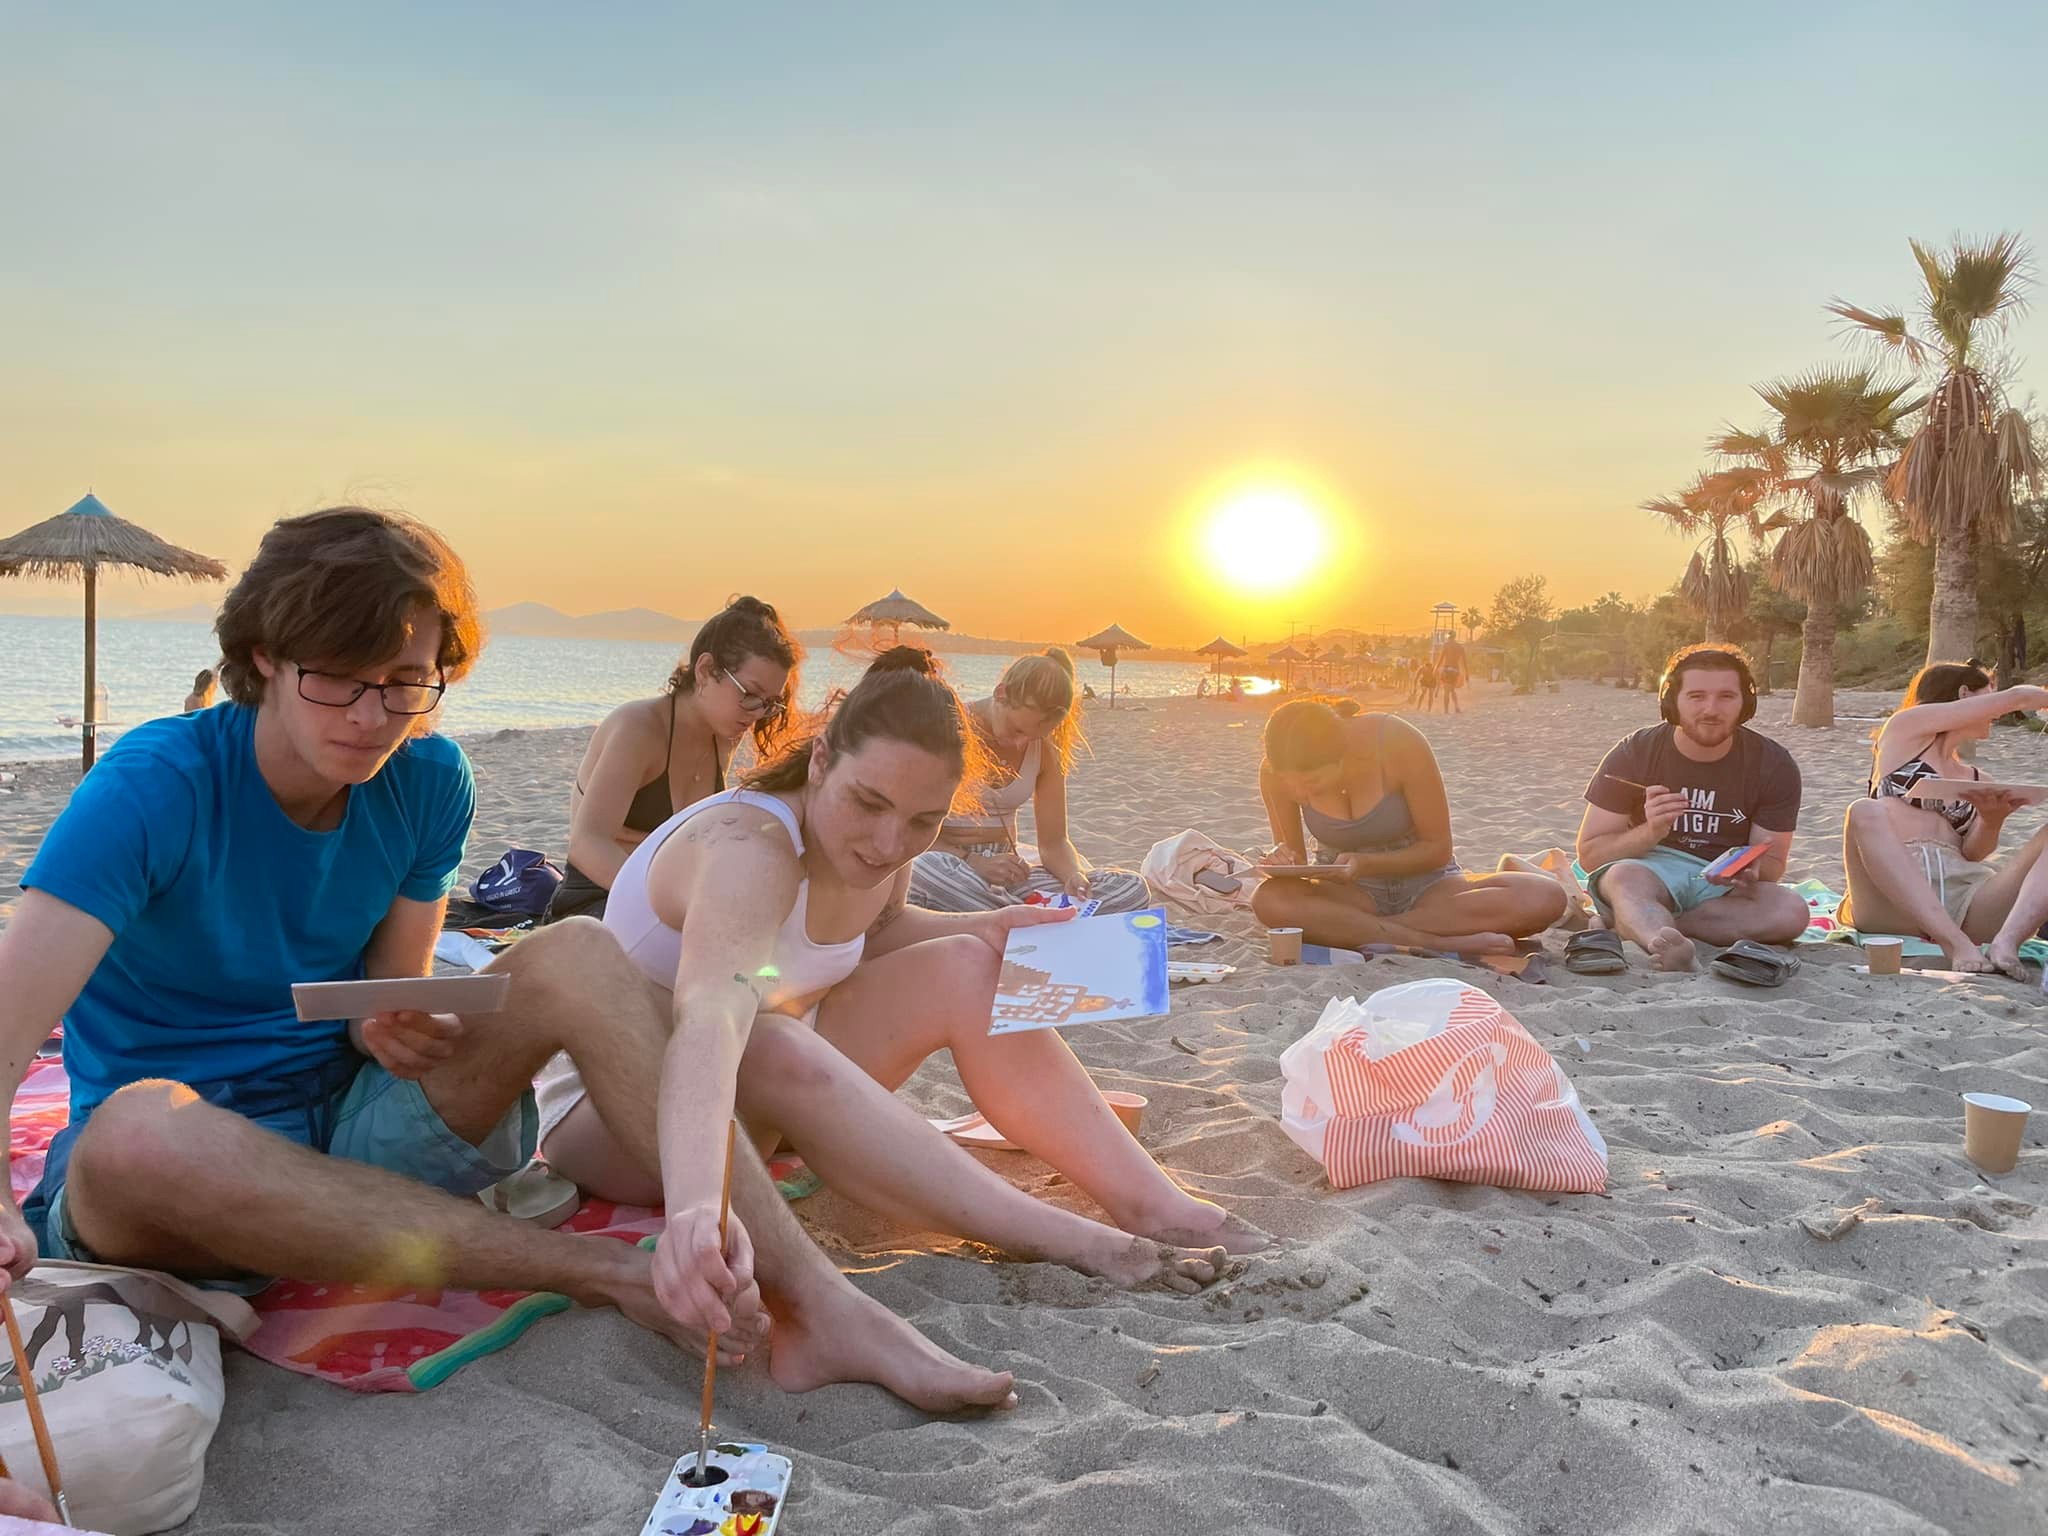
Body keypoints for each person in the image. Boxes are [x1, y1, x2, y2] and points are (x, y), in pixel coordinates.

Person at [0, 508, 1012, 1413]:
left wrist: (386, 1023)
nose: (371, 718)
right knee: (136, 1133)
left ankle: (820, 1303)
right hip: (181, 1189)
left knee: (572, 949)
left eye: (405, 683)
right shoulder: (154, 787)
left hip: (350, 1130)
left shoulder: (425, 776)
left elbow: (386, 987)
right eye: (336, 681)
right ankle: (598, 1274)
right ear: (261, 657)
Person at [534, 646, 1261, 1313]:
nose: (888, 843)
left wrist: (983, 926)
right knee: (767, 1036)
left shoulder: (885, 845)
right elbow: (711, 1020)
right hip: (627, 1117)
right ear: (820, 761)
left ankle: (1155, 1206)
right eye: (870, 804)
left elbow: (874, 934)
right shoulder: (747, 849)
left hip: (766, 1104)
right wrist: (698, 1209)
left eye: (923, 819)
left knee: (970, 965)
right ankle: (1072, 1240)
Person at [545, 597, 799, 923]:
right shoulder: (639, 729)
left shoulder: (723, 736)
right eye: (749, 694)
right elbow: (586, 844)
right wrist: (666, 903)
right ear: (706, 670)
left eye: (769, 703)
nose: (758, 713)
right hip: (598, 899)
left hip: (672, 901)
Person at [1253, 699, 1566, 953]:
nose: (1300, 794)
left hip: (1429, 887)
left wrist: (1367, 864)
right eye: (1291, 786)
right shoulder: (1276, 773)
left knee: (1545, 895)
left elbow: (1439, 850)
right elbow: (1295, 863)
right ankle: (1436, 943)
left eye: (1313, 784)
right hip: (1350, 894)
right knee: (1270, 899)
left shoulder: (1397, 742)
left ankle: (1364, 931)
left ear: (1342, 755)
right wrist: (1282, 861)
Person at [1576, 643, 1807, 971]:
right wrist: (1650, 832)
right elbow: (1590, 855)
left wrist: (1752, 870)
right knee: (1625, 877)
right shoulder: (1635, 752)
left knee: (1791, 911)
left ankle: (1637, 922)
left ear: (1746, 703)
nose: (1711, 709)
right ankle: (1662, 940)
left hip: (1719, 890)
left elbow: (1772, 863)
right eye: (1696, 696)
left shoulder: (1773, 764)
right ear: (1672, 702)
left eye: (1726, 697)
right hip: (1648, 869)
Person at [1841, 663, 2048, 977]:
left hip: (1964, 898)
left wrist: (1992, 819)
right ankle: (1953, 943)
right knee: (1862, 810)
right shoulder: (1903, 731)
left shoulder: (1978, 777)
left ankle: (2006, 941)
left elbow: (1973, 854)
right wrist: (2023, 696)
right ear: (1965, 695)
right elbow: (2013, 699)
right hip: (1890, 897)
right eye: (1988, 696)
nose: (1995, 711)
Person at [907, 649, 1152, 913]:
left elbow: (1054, 842)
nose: (1022, 742)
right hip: (947, 861)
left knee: (1133, 888)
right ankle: (1025, 917)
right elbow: (909, 829)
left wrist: (1073, 875)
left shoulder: (1045, 751)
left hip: (1008, 875)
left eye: (1034, 736)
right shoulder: (947, 728)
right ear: (1000, 693)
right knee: (924, 871)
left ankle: (1008, 916)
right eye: (1018, 729)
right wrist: (973, 861)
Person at [1434, 639, 1467, 714]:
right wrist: (1466, 673)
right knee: (1452, 690)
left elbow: (1441, 658)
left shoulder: (1446, 645)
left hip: (1447, 669)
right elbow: (1464, 661)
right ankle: (1456, 707)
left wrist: (1435, 668)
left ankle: (1446, 710)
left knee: (1446, 691)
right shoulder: (1460, 646)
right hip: (1455, 670)